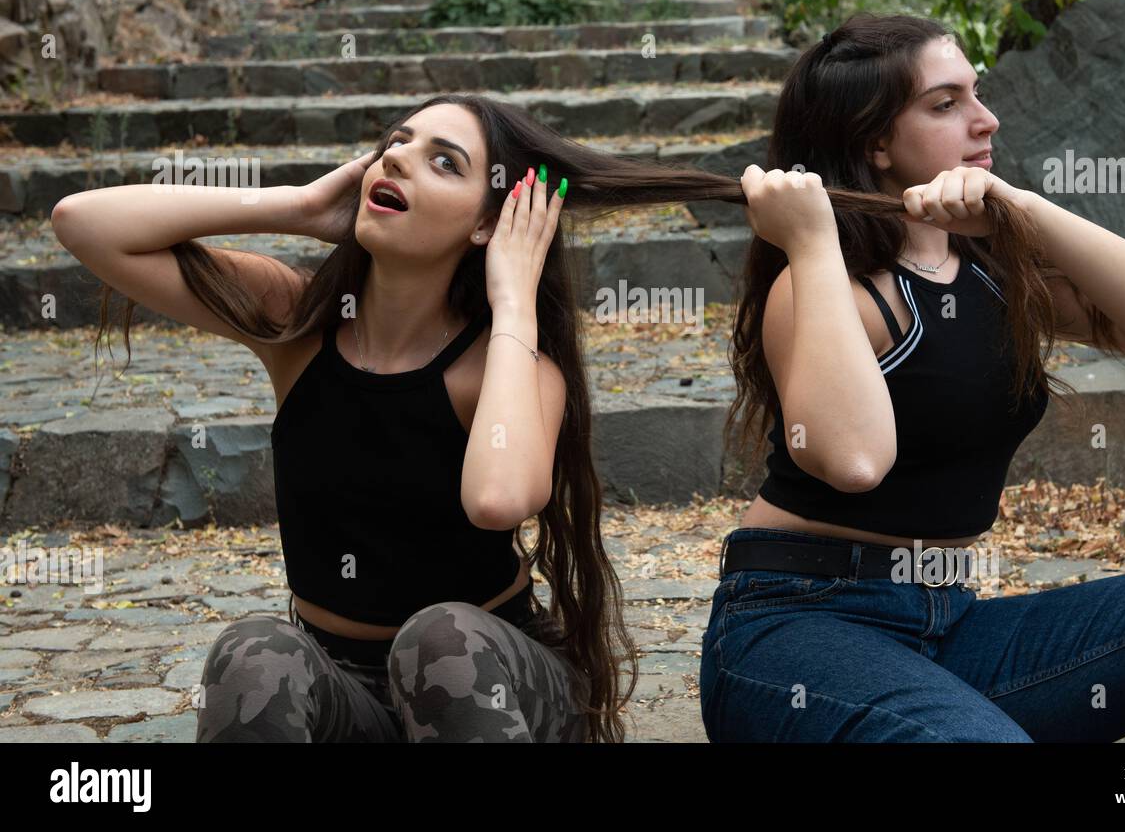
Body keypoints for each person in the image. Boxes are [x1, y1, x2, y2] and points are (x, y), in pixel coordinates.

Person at [51, 93, 744, 742]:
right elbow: (82, 224)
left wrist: (513, 303)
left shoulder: (514, 367)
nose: (400, 157)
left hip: (487, 682)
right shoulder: (297, 324)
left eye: (446, 160)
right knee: (253, 652)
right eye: (397, 141)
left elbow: (498, 498)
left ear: (485, 223)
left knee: (438, 638)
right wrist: (293, 206)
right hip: (342, 692)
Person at [699, 13, 1125, 742]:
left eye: (977, 94)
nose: (986, 120)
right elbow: (853, 458)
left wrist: (1024, 210)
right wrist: (812, 242)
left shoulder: (988, 272)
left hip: (949, 625)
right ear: (874, 140)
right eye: (946, 105)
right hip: (798, 630)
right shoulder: (826, 290)